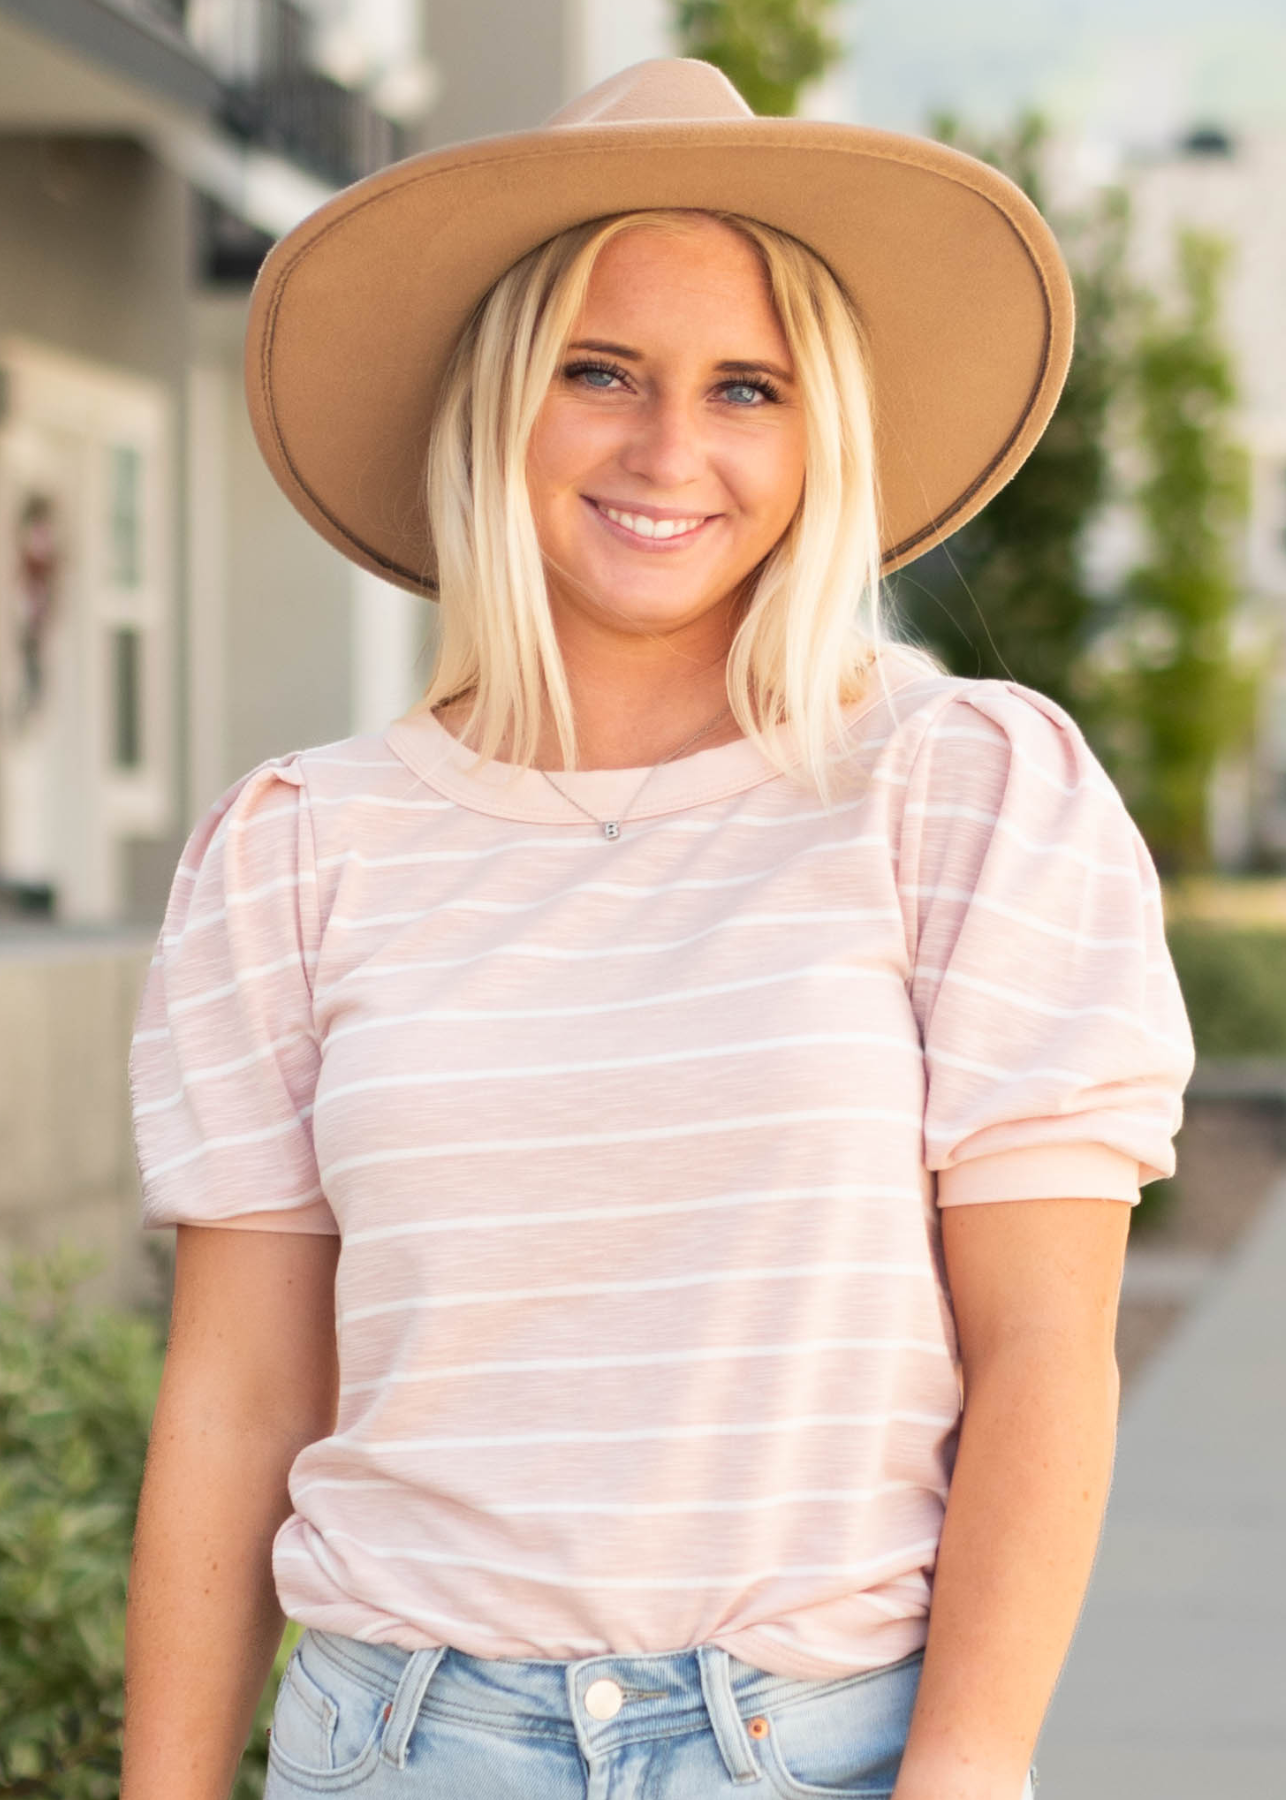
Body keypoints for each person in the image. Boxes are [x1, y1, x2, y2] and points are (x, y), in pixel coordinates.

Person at [121, 59, 1194, 1800]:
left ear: (816, 428)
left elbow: (1042, 1352)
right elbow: (237, 1400)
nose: (667, 450)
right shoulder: (299, 848)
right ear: (499, 406)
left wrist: (968, 1771)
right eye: (596, 371)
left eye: (745, 387)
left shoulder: (962, 790)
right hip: (393, 1751)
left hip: (818, 1751)